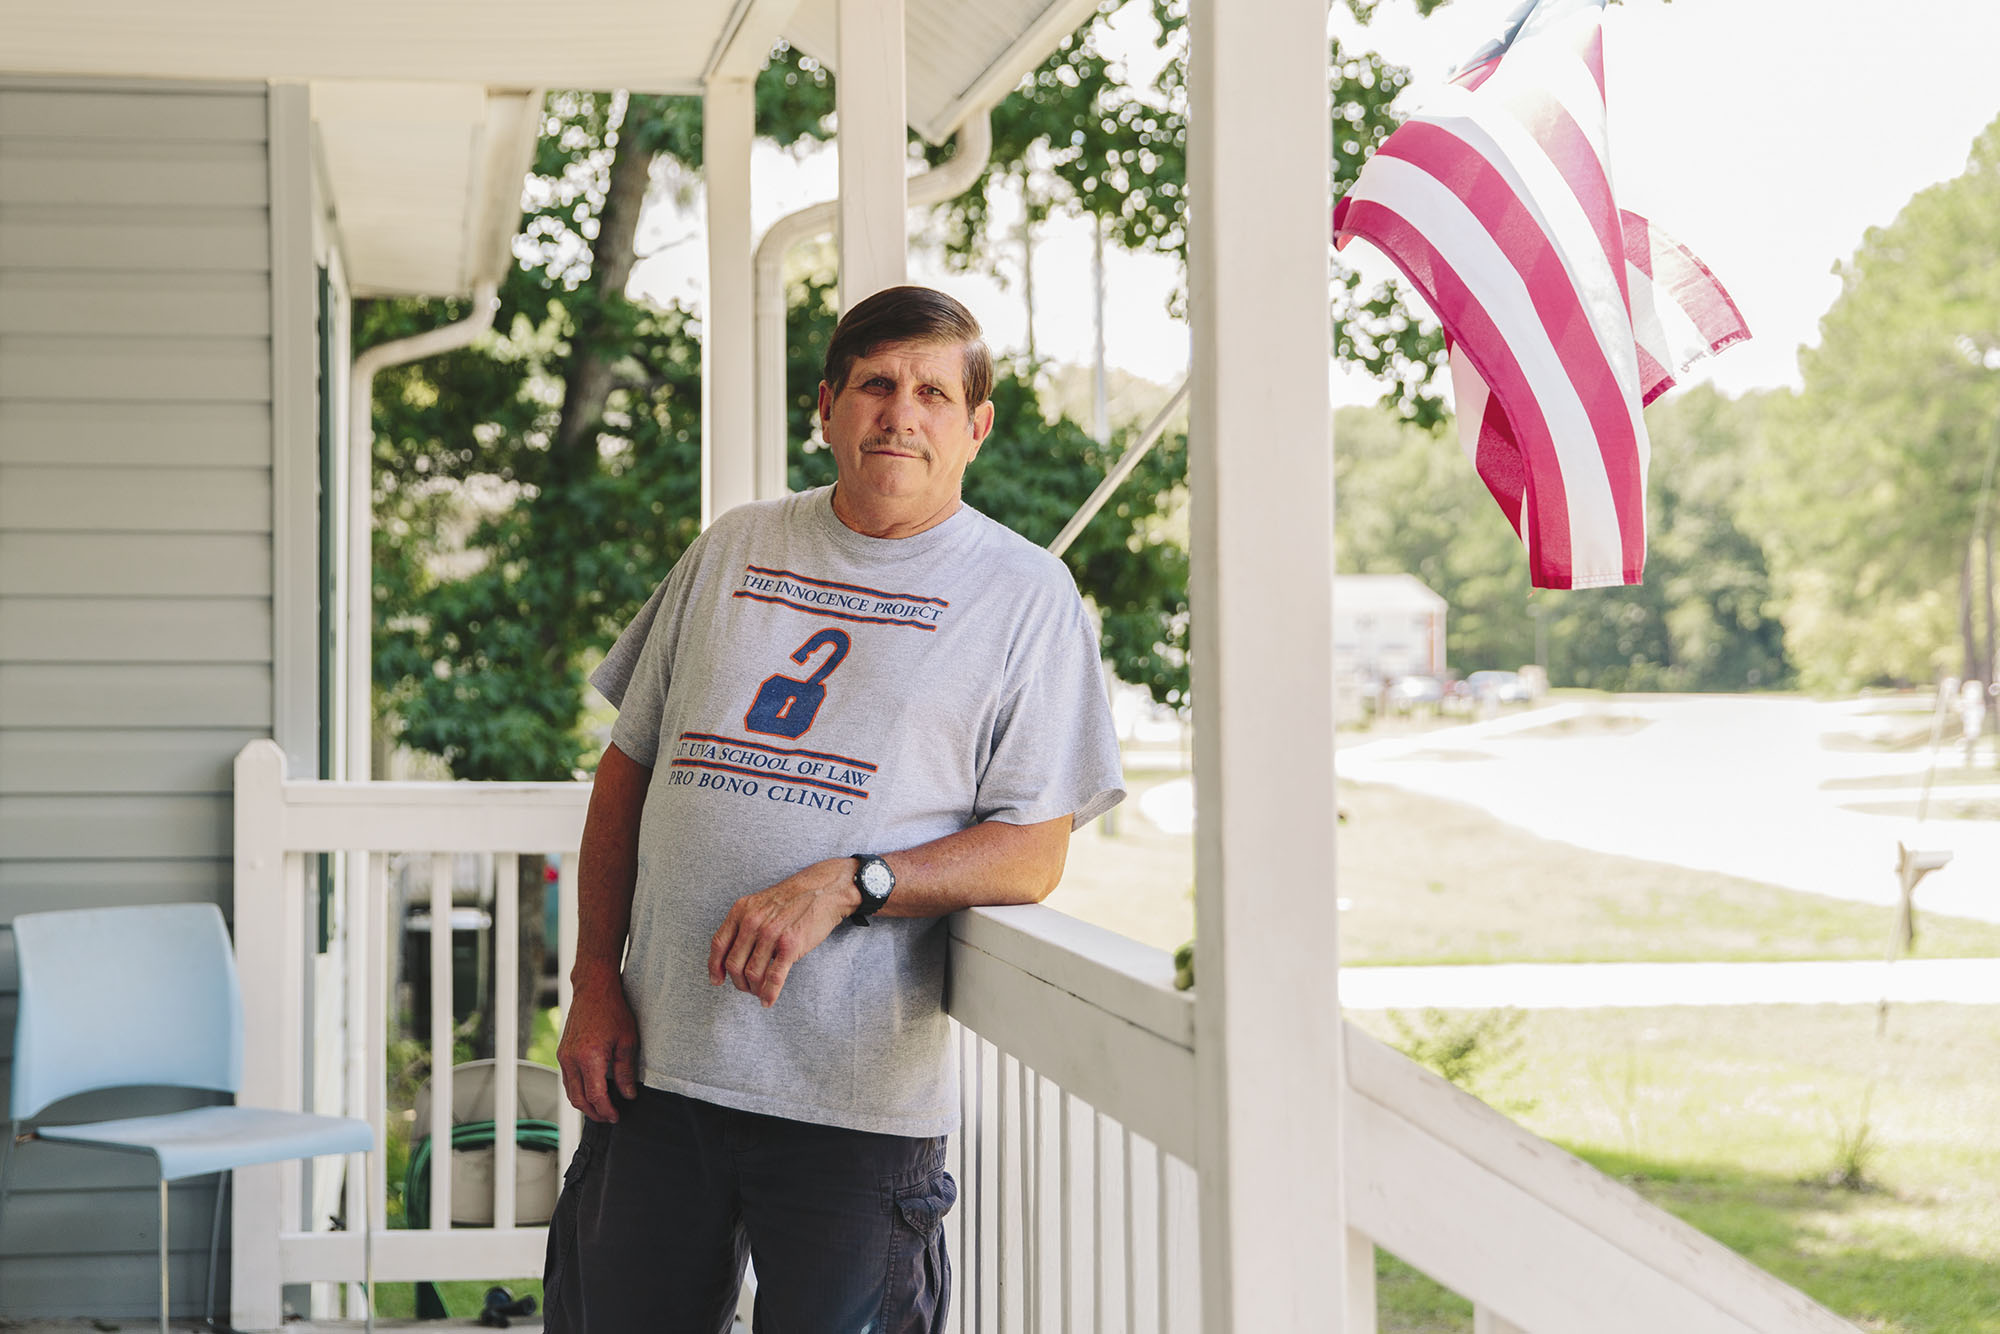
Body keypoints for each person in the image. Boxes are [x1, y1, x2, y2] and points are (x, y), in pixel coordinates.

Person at [543, 285, 1125, 1333]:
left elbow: (1031, 850)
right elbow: (627, 767)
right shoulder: (734, 545)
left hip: (847, 1101)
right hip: (656, 1066)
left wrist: (852, 880)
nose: (901, 411)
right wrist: (593, 976)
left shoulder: (1024, 593)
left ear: (975, 425)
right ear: (827, 406)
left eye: (933, 392)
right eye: (876, 384)